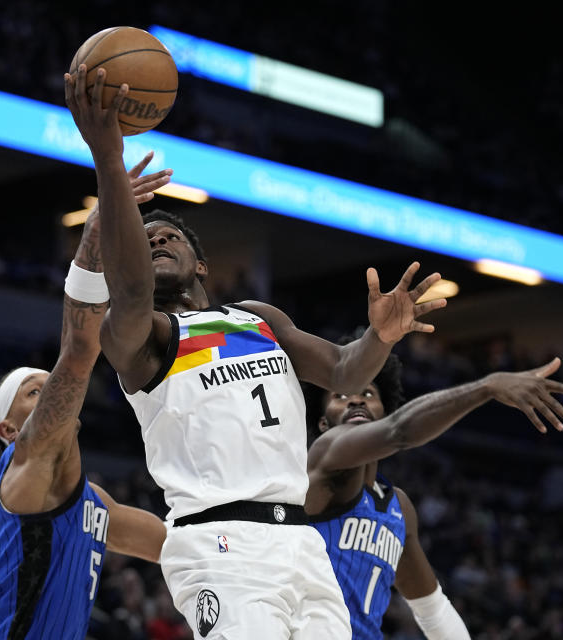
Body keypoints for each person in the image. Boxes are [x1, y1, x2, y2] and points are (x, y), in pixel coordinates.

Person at [65, 65, 447, 640]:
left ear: (202, 265)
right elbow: (132, 287)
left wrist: (381, 337)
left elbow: (346, 371)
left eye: (170, 236)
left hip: (301, 542)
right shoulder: (143, 339)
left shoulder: (258, 319)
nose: (157, 240)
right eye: (145, 241)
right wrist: (109, 162)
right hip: (221, 544)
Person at [0, 157, 173, 640]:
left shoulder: (91, 502)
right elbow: (80, 347)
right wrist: (98, 227)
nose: (53, 392)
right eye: (35, 392)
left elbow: (172, 545)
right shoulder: (26, 468)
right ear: (10, 431)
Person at [305, 348, 563, 639]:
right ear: (323, 423)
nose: (357, 399)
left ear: (383, 412)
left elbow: (433, 610)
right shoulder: (323, 461)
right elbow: (399, 431)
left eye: (368, 394)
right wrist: (486, 386)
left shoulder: (397, 507)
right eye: (341, 396)